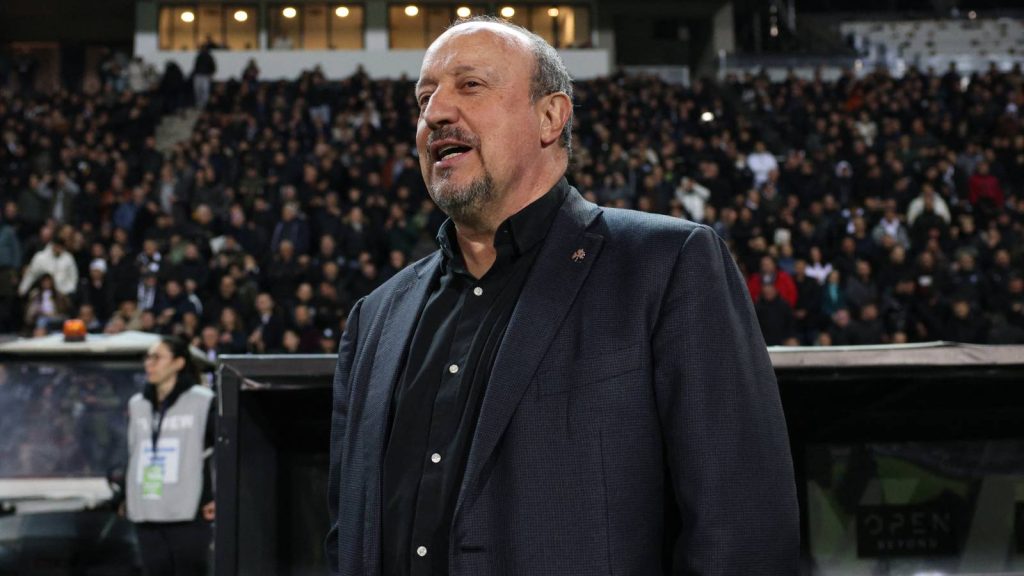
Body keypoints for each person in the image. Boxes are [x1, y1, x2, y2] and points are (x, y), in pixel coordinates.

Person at [325, 16, 797, 575]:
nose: (436, 112)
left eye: (469, 86)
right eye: (424, 96)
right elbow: (346, 536)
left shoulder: (667, 265)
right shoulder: (376, 317)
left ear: (551, 116)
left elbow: (741, 528)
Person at [126, 336, 215, 576]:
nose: (149, 364)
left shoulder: (203, 401)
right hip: (146, 510)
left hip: (186, 511)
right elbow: (133, 451)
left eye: (157, 357)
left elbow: (215, 453)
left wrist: (212, 495)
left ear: (178, 363)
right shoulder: (137, 404)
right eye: (148, 357)